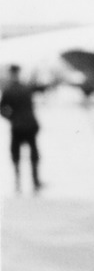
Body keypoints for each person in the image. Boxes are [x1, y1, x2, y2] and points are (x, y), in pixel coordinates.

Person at [1, 64, 45, 193]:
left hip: (18, 126)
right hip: (30, 124)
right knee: (33, 152)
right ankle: (35, 181)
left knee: (16, 153)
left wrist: (11, 118)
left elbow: (2, 109)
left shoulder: (8, 90)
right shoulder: (26, 88)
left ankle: (18, 181)